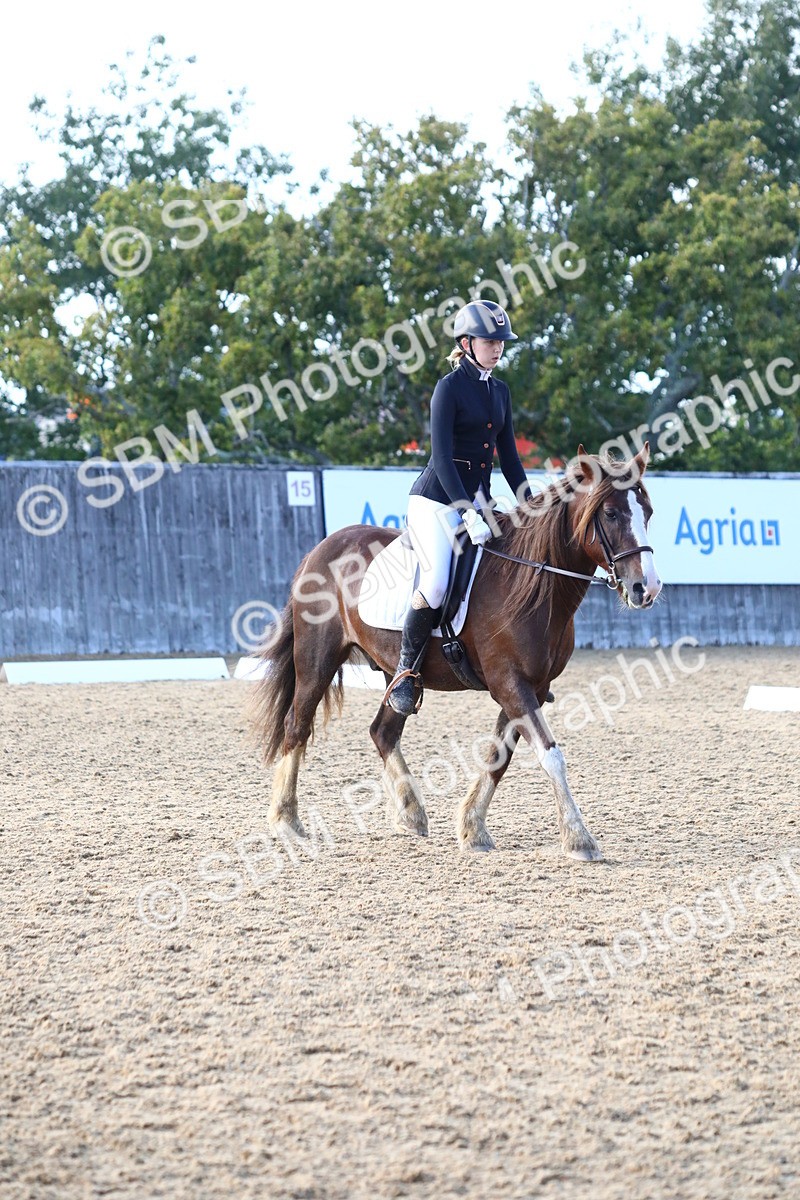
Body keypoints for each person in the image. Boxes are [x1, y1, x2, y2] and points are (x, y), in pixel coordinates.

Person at [385, 299, 533, 715]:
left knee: (514, 562)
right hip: (435, 500)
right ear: (467, 343)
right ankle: (406, 672)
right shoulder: (448, 389)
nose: (498, 347)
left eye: (501, 341)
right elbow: (444, 459)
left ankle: (522, 664)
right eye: (490, 341)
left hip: (479, 502)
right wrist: (467, 510)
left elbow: (511, 459)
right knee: (434, 584)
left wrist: (529, 506)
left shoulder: (500, 391)